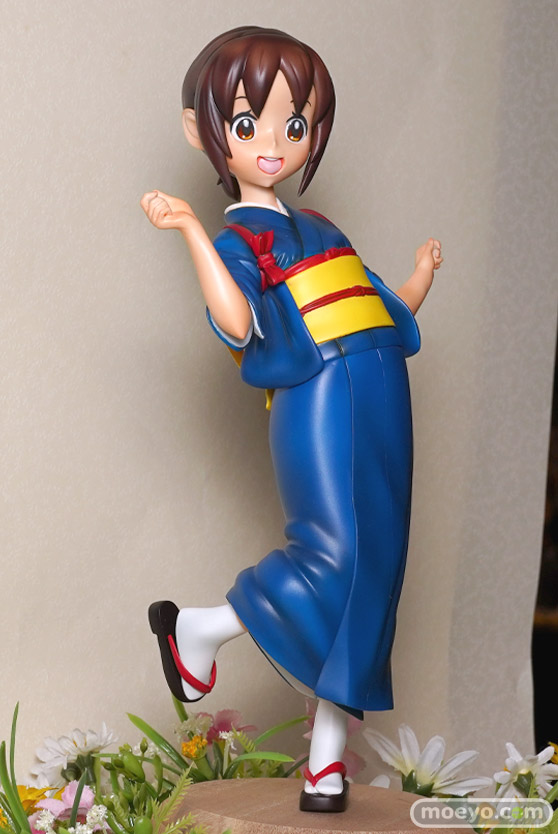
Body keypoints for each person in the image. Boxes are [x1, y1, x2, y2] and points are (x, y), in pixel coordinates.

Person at [141, 26, 443, 813]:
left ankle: (326, 766)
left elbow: (383, 309)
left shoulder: (324, 230)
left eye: (295, 124)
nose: (273, 144)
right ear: (203, 131)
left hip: (381, 389)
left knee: (377, 568)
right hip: (318, 397)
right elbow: (239, 324)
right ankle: (202, 630)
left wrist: (418, 277)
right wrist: (193, 234)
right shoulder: (240, 236)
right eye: (248, 124)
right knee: (333, 552)